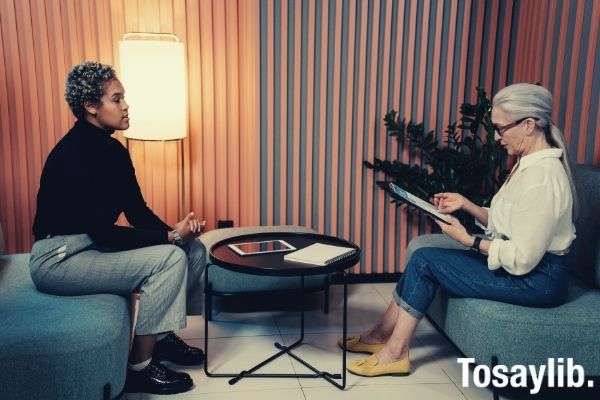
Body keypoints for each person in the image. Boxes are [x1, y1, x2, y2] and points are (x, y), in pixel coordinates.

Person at [340, 83, 577, 377]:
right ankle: (380, 336)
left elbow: (523, 257)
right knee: (424, 254)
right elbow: (510, 222)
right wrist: (466, 205)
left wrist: (469, 241)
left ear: (528, 125)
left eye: (501, 129)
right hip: (529, 271)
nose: (496, 138)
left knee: (426, 261)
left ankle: (395, 353)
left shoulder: (543, 178)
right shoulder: (526, 164)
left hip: (538, 280)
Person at [29, 61, 206, 395]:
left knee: (193, 250)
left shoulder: (113, 150)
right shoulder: (74, 154)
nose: (126, 106)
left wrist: (178, 233)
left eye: (124, 98)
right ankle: (139, 367)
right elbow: (102, 231)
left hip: (90, 247)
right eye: (117, 99)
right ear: (91, 107)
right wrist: (169, 239)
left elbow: (137, 212)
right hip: (59, 258)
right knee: (169, 258)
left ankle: (163, 338)